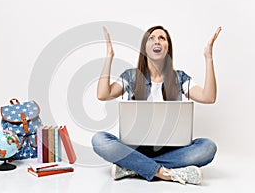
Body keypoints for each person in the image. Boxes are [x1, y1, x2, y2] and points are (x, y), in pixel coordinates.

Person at [91, 25, 221, 185]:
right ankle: (165, 172)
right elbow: (103, 94)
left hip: (171, 149)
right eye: (151, 38)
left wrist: (208, 57)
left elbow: (209, 97)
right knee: (99, 140)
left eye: (162, 38)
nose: (156, 41)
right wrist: (109, 57)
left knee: (208, 147)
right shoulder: (131, 76)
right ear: (145, 48)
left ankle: (132, 167)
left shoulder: (179, 78)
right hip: (134, 148)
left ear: (168, 47)